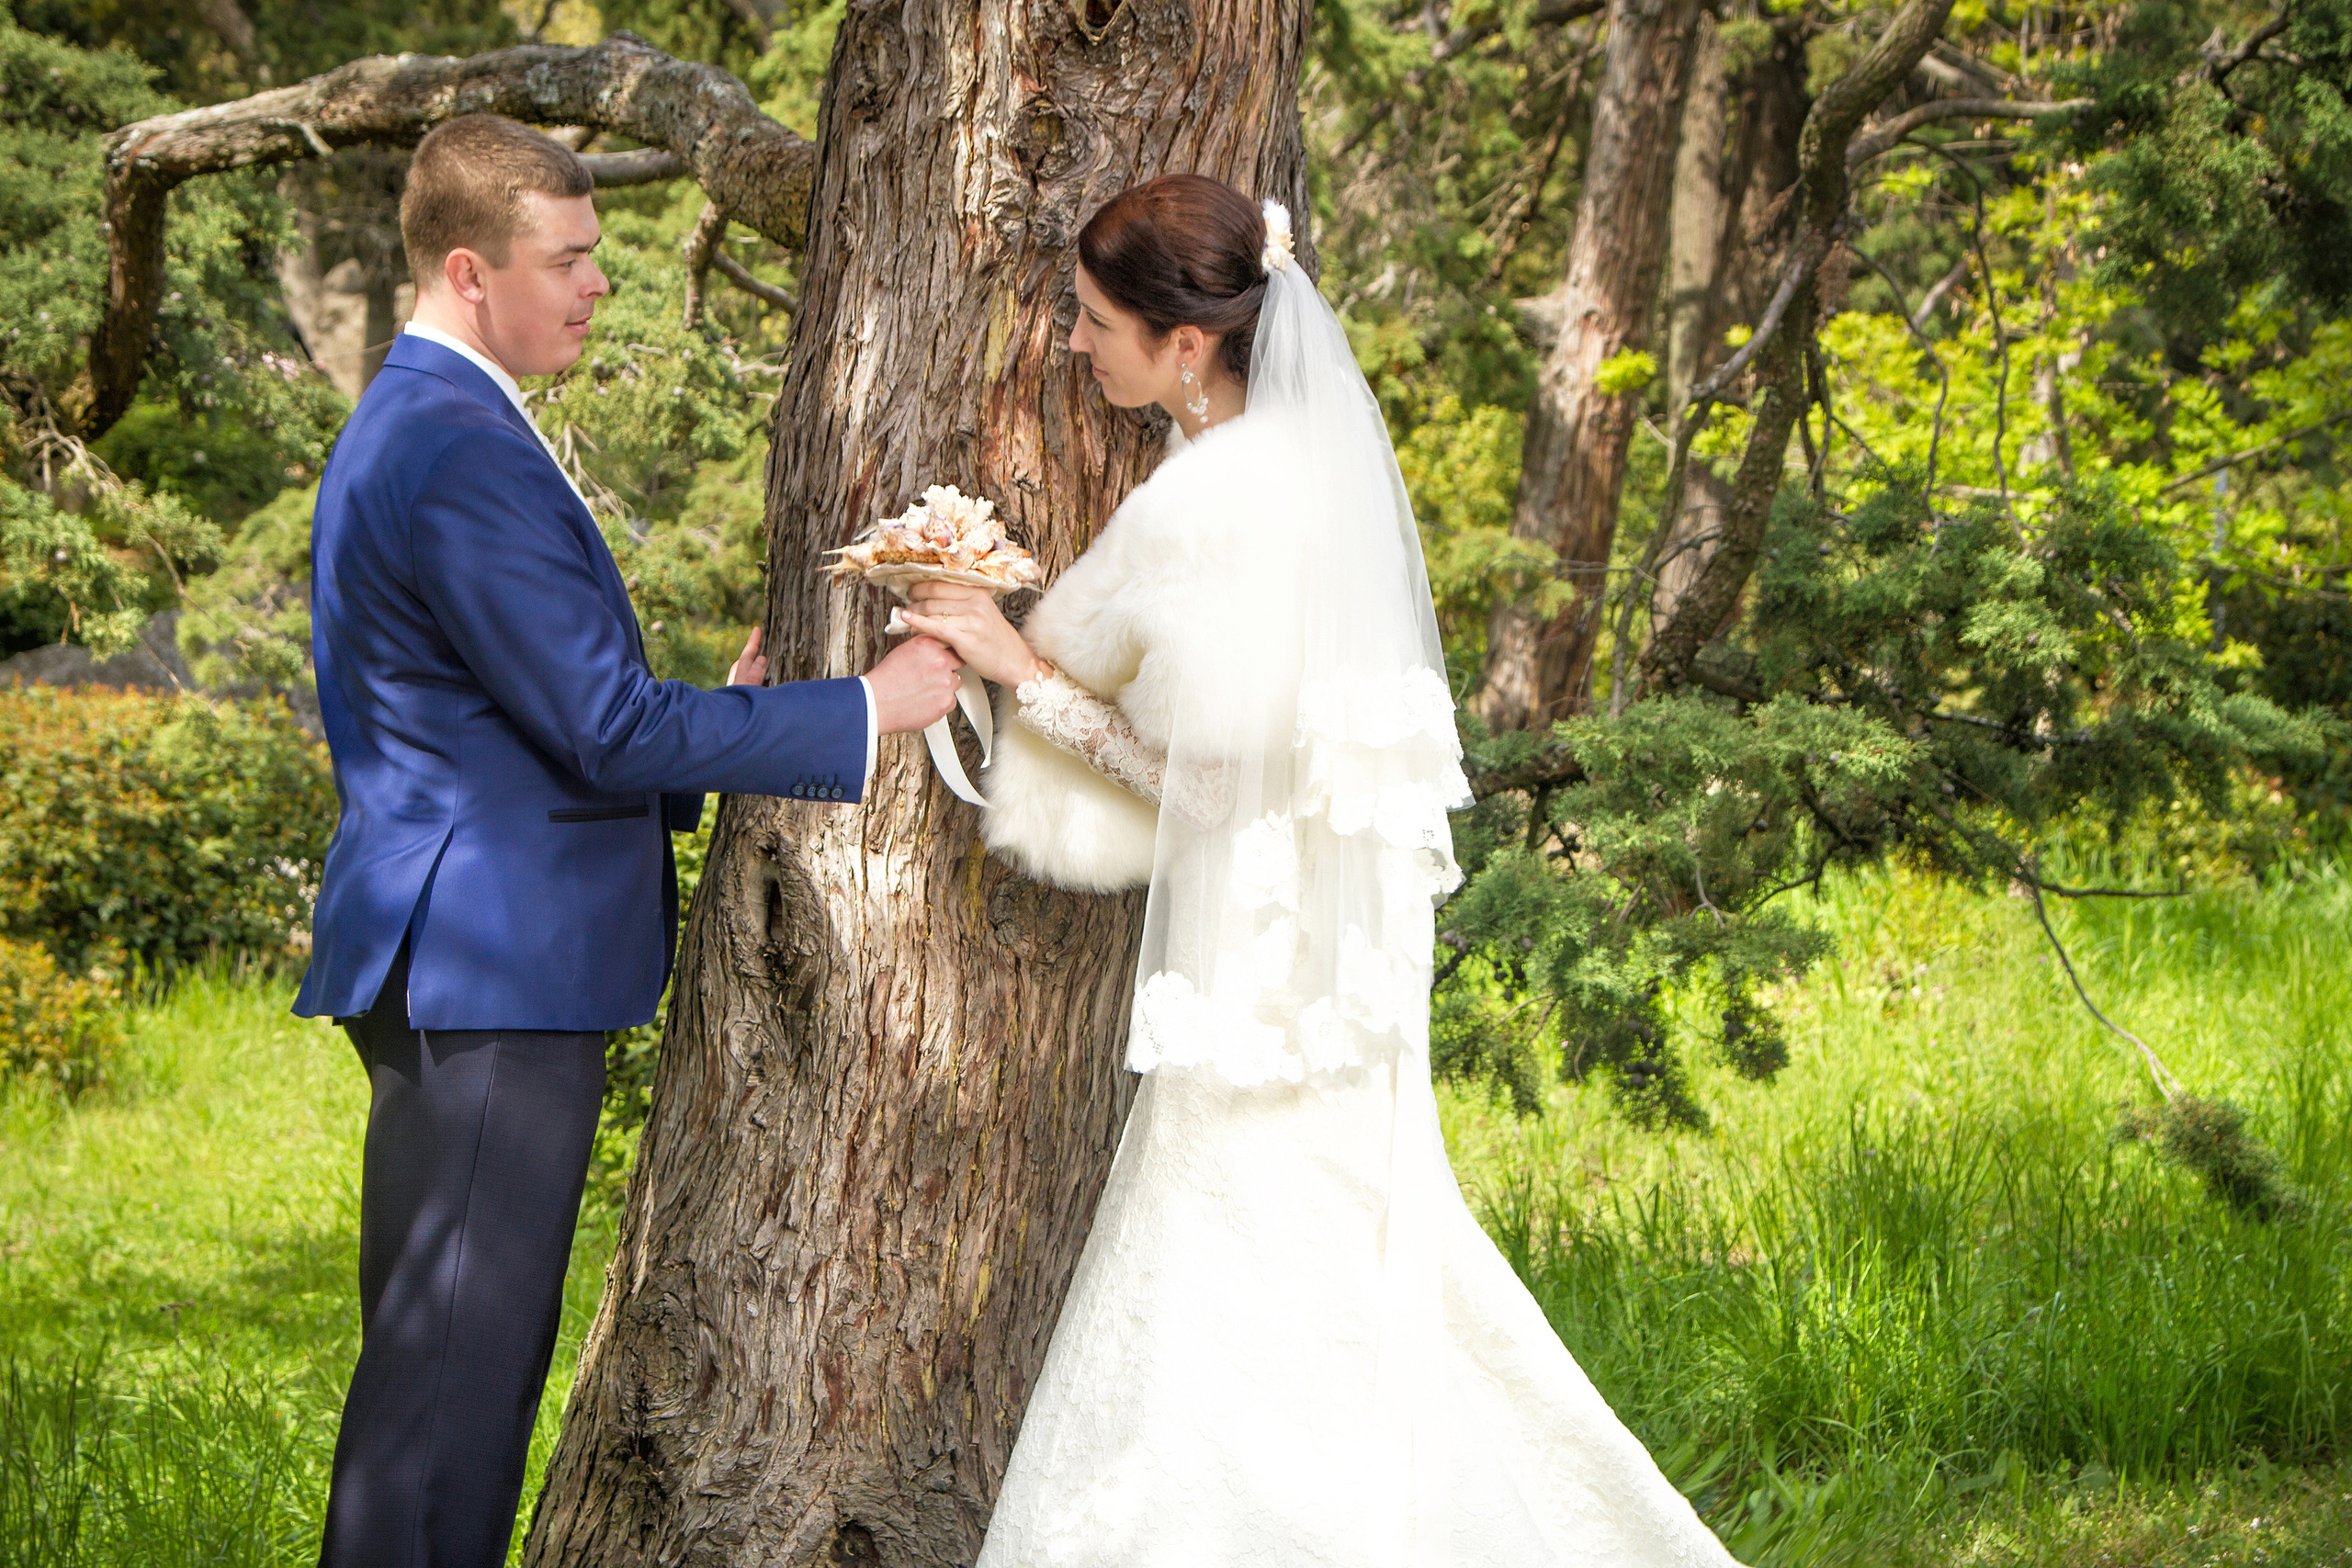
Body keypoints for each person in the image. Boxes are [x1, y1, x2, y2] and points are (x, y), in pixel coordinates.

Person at [898, 175, 1747, 1566]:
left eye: (1095, 319)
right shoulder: (1316, 474)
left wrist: (1015, 670)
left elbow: (1219, 780)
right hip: (1335, 968)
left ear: (1187, 344)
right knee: (1360, 1277)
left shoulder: (1213, 503)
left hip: (1256, 973)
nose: (1070, 341)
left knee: (1231, 1282)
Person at [293, 114, 962, 1568]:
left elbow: (509, 721)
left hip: (474, 956)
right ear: (471, 272)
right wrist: (860, 708)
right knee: (449, 1393)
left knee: (445, 1376)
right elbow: (597, 729)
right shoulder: (455, 444)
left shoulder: (425, 420)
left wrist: (709, 728)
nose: (600, 284)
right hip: (493, 973)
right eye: (572, 259)